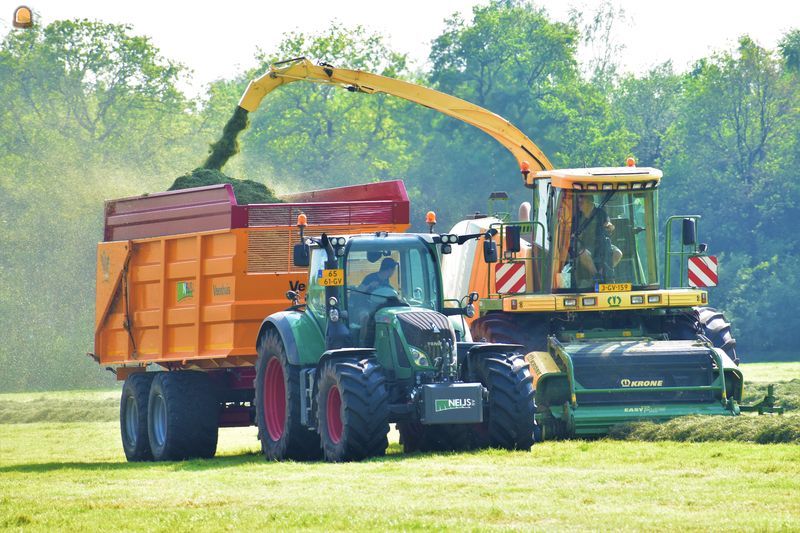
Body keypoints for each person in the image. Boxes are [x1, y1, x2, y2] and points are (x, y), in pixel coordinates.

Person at [576, 194, 622, 281]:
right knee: (583, 253)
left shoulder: (601, 213)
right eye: (579, 202)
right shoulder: (577, 217)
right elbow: (573, 234)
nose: (579, 205)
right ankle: (597, 277)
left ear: (589, 203)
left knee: (618, 253)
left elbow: (609, 224)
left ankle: (604, 272)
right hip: (585, 246)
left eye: (581, 202)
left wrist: (610, 226)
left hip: (602, 244)